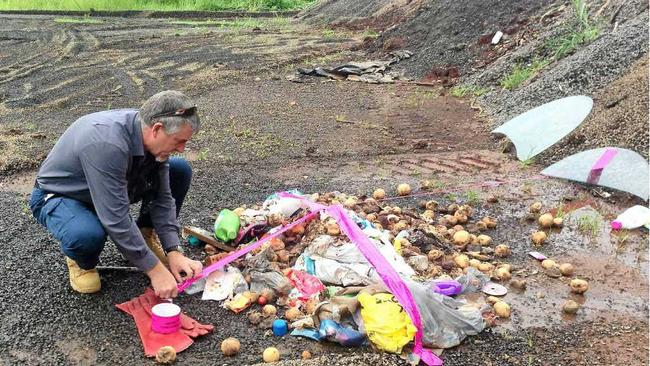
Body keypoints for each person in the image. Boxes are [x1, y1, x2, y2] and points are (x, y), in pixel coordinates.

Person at [29, 90, 203, 299]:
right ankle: (81, 261)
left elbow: (163, 198)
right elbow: (116, 217)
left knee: (179, 170)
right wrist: (155, 271)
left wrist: (172, 250)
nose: (182, 148)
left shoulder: (152, 136)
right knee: (86, 235)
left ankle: (144, 236)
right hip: (64, 196)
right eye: (178, 141)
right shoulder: (106, 142)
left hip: (110, 187)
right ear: (157, 129)